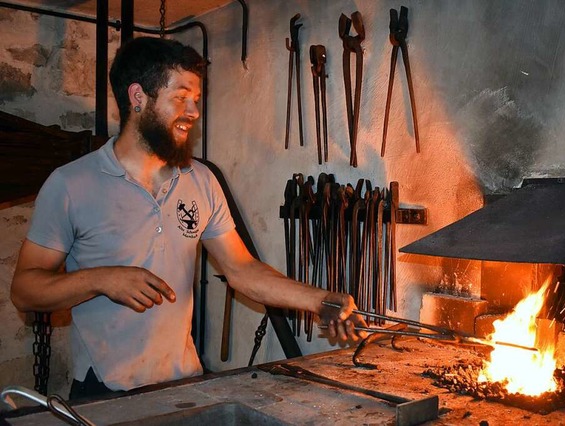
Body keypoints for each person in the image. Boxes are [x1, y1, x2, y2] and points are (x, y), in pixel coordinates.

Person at [10, 36, 365, 400]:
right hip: (105, 392)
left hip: (185, 384)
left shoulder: (201, 180)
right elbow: (24, 290)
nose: (194, 112)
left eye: (197, 100)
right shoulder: (70, 184)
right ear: (138, 98)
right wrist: (102, 279)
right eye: (181, 98)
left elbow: (242, 269)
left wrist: (320, 300)